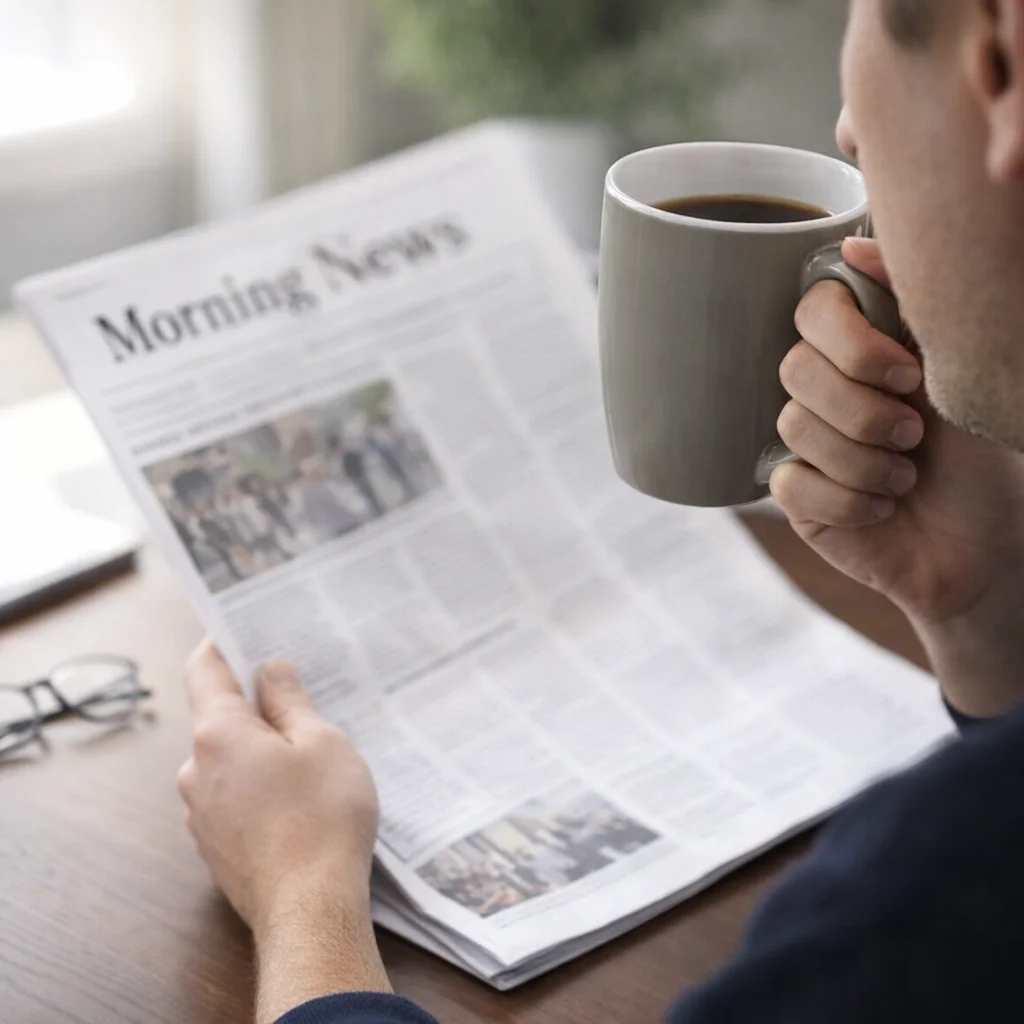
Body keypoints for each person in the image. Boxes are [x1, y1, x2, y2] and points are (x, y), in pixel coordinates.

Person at [175, 2, 1024, 1020]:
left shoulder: (929, 892)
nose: (847, 126)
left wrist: (303, 893)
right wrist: (987, 610)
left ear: (998, 61)